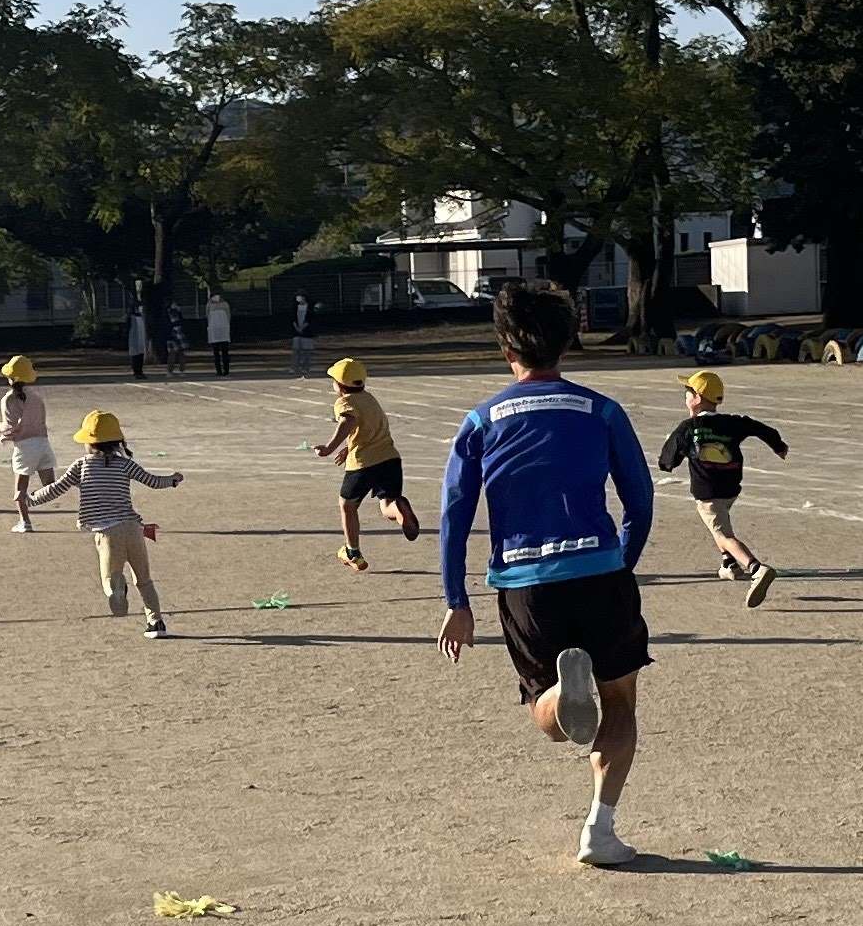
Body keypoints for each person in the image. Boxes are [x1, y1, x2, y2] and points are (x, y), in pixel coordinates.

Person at [437, 282, 654, 868]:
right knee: (621, 705)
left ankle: (558, 692)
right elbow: (639, 500)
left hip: (525, 583)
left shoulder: (482, 420)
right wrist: (622, 562)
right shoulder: (602, 410)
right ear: (568, 343)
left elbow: (455, 513)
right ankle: (600, 829)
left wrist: (457, 600)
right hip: (599, 571)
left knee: (550, 716)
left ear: (506, 347)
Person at [34, 410, 184, 639]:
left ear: (89, 442)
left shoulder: (81, 465)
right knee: (144, 580)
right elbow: (153, 481)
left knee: (109, 577)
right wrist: (172, 480)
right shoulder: (125, 465)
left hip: (107, 533)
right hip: (133, 529)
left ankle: (116, 587)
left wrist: (31, 498)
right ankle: (156, 623)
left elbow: (56, 489)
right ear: (117, 442)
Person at [657, 370, 787, 607]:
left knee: (723, 535)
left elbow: (669, 457)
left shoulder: (688, 428)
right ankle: (729, 564)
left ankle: (756, 568)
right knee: (719, 524)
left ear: (697, 398)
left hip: (708, 493)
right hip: (730, 489)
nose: (685, 396)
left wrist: (667, 463)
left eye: (688, 392)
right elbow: (759, 428)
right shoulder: (731, 423)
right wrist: (778, 446)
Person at [314, 357, 420, 571]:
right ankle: (399, 510)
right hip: (389, 458)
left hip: (364, 463)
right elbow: (365, 428)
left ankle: (353, 552)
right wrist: (348, 446)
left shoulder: (345, 402)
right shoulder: (369, 399)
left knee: (347, 505)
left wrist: (329, 448)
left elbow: (349, 421)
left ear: (340, 385)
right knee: (387, 504)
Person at [0, 355, 56, 533]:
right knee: (51, 486)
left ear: (9, 378)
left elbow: (10, 427)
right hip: (43, 443)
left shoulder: (8, 399)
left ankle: (25, 521)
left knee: (20, 489)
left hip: (24, 447)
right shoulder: (36, 397)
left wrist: (0, 429)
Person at [205, 292, 233, 377]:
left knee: (216, 353)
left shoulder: (209, 304)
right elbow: (228, 316)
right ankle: (226, 370)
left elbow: (207, 316)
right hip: (224, 330)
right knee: (225, 352)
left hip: (213, 330)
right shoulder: (225, 304)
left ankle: (219, 371)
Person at [290, 292, 317, 377]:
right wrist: (297, 328)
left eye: (299, 296)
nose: (297, 298)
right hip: (296, 333)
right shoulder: (295, 307)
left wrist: (302, 328)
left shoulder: (310, 308)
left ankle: (305, 368)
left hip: (307, 333)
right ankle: (295, 368)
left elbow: (310, 319)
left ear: (304, 297)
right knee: (296, 351)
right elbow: (293, 318)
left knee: (306, 352)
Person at [163, 302, 189, 377]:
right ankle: (171, 371)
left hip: (178, 333)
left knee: (180, 353)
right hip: (173, 334)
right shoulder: (168, 312)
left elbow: (181, 321)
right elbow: (168, 324)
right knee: (172, 353)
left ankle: (181, 370)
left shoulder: (177, 311)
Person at [126, 302, 149, 380]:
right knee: (135, 356)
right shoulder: (131, 317)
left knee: (141, 355)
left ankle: (140, 371)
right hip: (134, 339)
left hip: (141, 338)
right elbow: (127, 328)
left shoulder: (142, 317)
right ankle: (136, 372)